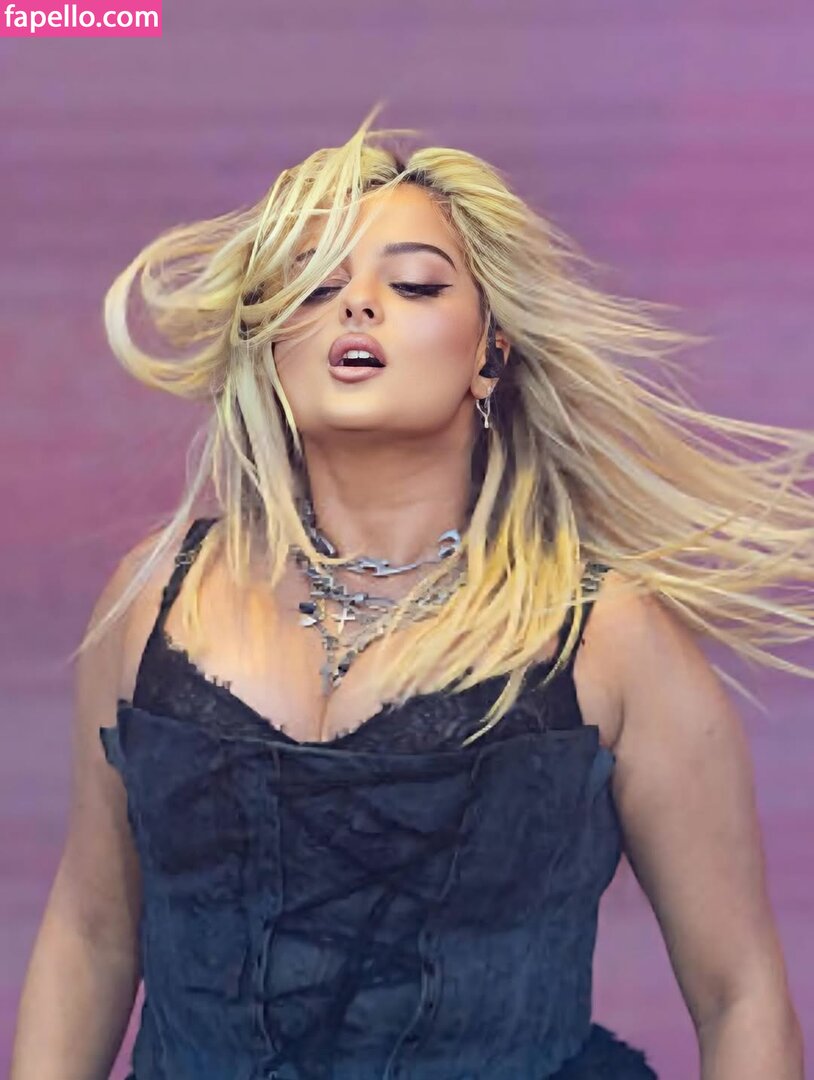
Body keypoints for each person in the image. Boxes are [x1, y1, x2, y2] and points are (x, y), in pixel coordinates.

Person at [11, 104, 810, 1079]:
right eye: (315, 286)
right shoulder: (152, 599)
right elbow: (92, 934)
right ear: (267, 347)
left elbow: (739, 993)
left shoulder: (606, 634)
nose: (357, 306)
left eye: (414, 284)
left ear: (489, 353)